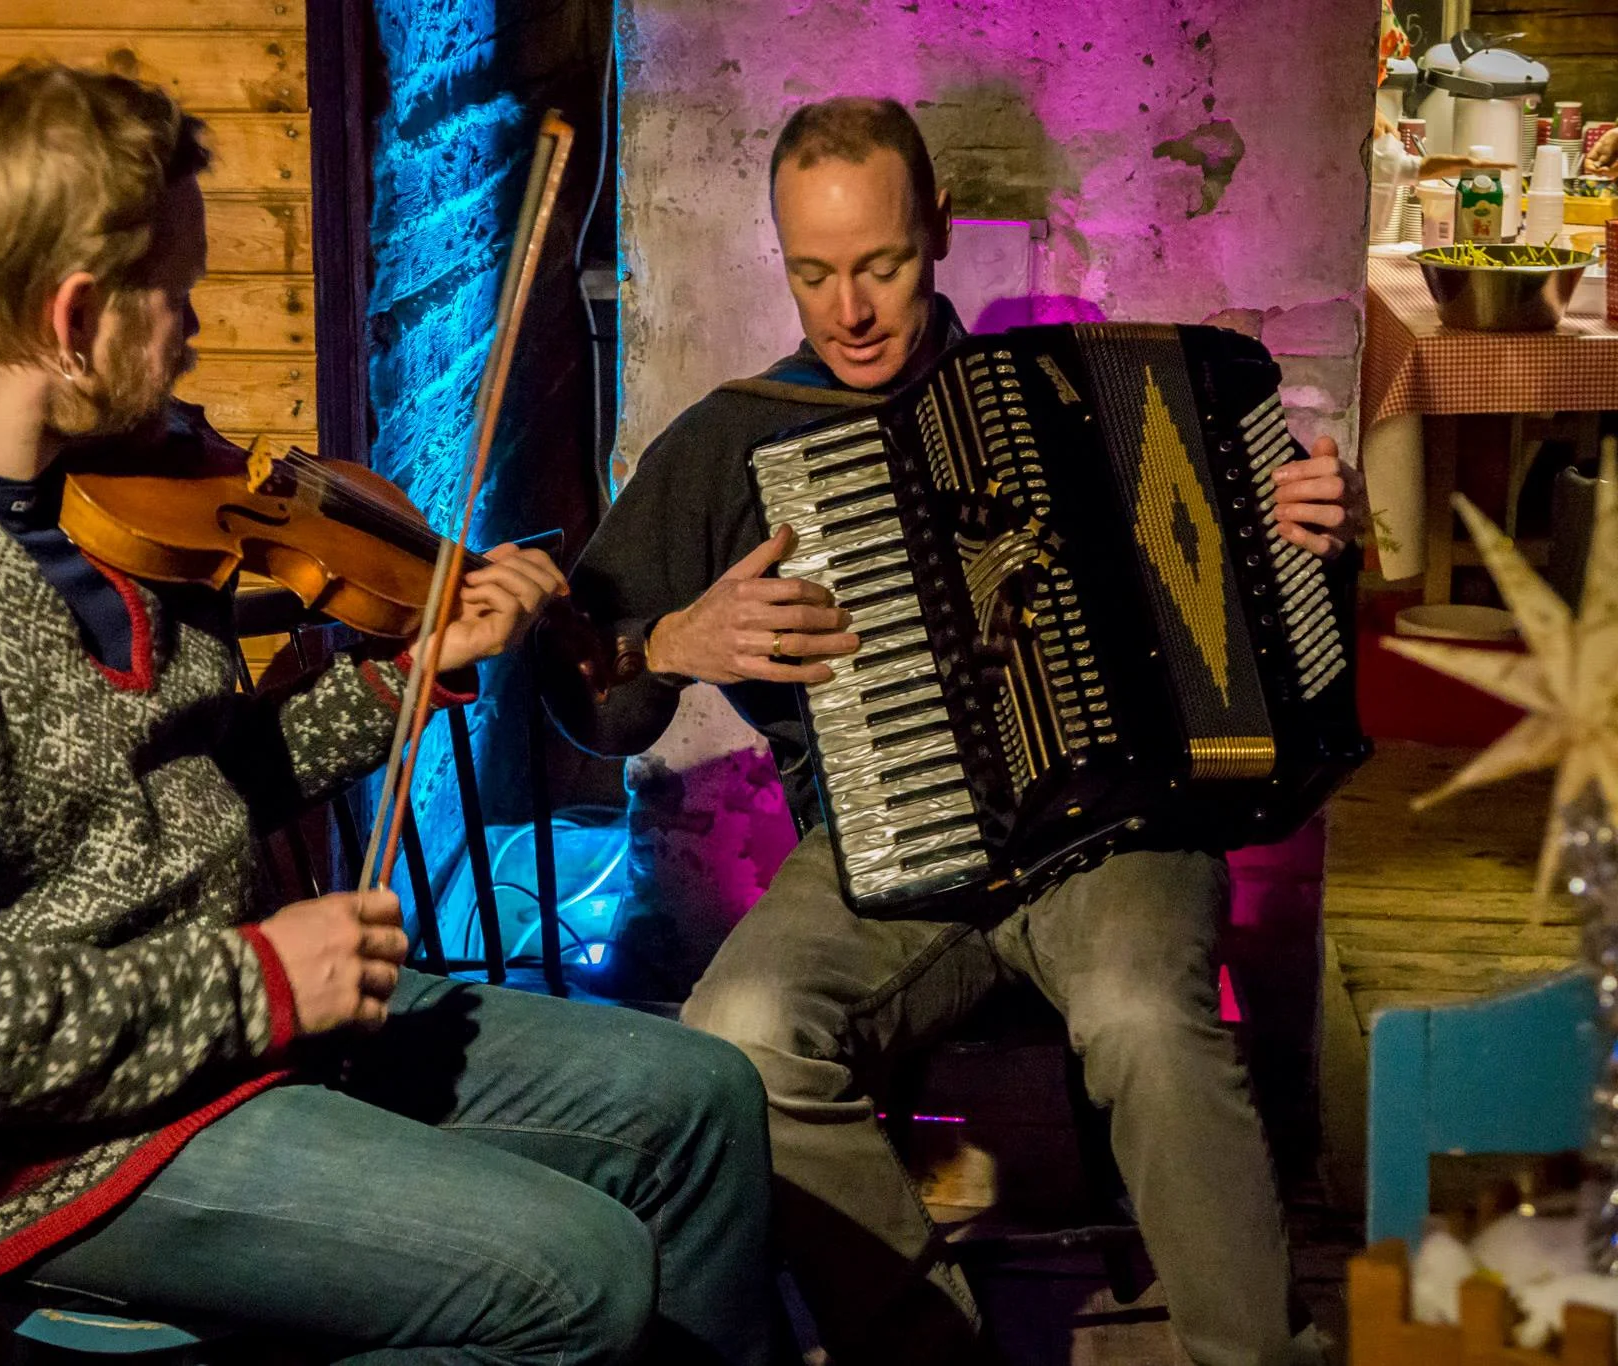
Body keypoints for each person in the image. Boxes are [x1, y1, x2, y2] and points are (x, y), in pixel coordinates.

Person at [0, 63, 783, 1366]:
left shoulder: (99, 489)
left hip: (239, 1034)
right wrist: (256, 978)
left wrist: (399, 682)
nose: (189, 329)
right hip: (38, 1152)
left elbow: (197, 781)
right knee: (578, 1279)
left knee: (702, 1096)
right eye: (171, 291)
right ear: (71, 317)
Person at [542, 96, 1365, 1366]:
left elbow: (1258, 616)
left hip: (1117, 835)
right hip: (882, 865)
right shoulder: (734, 437)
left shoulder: (1070, 393)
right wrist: (668, 644)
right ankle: (929, 1347)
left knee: (1143, 1015)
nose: (848, 309)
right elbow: (586, 690)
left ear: (933, 232)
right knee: (735, 1037)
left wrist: (1304, 530)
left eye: (877, 264)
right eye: (813, 273)